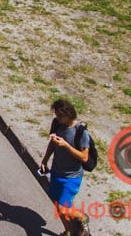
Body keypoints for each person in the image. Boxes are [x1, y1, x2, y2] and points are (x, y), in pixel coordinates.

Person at [40, 99, 93, 236]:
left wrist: (66, 146)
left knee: (63, 209)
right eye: (56, 115)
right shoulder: (57, 124)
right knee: (59, 207)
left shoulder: (80, 132)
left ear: (68, 114)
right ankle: (71, 231)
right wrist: (44, 160)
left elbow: (84, 157)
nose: (57, 118)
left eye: (59, 115)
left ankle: (83, 218)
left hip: (71, 177)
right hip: (56, 172)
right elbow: (52, 144)